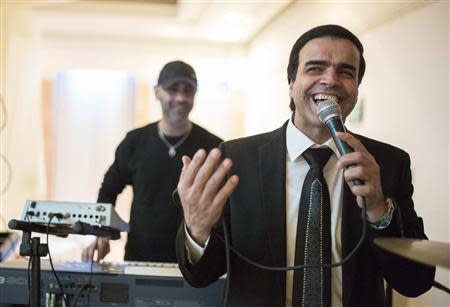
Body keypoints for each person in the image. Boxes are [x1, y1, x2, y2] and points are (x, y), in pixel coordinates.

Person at [175, 25, 435, 306]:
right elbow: (201, 277)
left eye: (346, 72)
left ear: (357, 87)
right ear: (291, 83)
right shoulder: (237, 159)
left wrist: (377, 209)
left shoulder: (387, 163)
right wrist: (197, 231)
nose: (330, 80)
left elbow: (415, 282)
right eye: (315, 68)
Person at [81, 60, 222, 262]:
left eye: (188, 90)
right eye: (173, 89)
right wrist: (102, 233)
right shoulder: (134, 142)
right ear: (157, 92)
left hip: (195, 262)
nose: (181, 97)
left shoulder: (213, 147)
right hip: (140, 257)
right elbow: (108, 189)